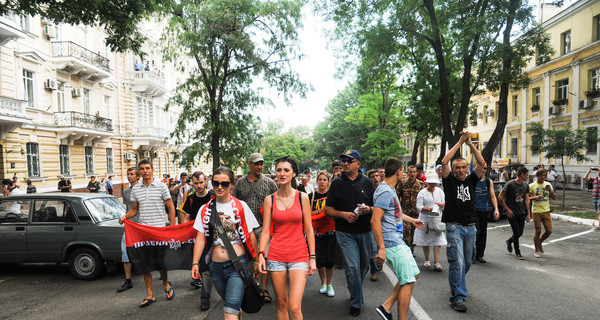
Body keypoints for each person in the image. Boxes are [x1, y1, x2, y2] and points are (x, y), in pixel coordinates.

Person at [190, 166, 259, 320]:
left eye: (225, 184)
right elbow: (200, 238)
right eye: (216, 183)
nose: (220, 187)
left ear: (232, 185)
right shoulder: (205, 209)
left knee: (229, 313)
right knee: (233, 308)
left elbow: (251, 236)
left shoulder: (241, 206)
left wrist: (255, 261)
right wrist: (195, 262)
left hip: (237, 266)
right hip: (216, 267)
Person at [258, 157, 316, 320]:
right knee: (281, 303)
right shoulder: (270, 200)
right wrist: (261, 254)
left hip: (299, 255)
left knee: (294, 306)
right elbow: (265, 232)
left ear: (294, 174)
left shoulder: (302, 198)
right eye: (279, 170)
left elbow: (309, 230)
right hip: (276, 256)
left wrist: (312, 258)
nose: (282, 174)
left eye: (286, 170)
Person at [118, 159, 176, 308]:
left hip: (160, 230)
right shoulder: (136, 189)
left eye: (147, 168)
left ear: (152, 170)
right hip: (143, 231)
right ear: (139, 172)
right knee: (145, 264)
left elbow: (171, 208)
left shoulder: (162, 186)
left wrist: (172, 229)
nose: (145, 171)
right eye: (142, 169)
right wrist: (125, 217)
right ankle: (150, 294)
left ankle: (165, 284)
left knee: (161, 263)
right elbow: (135, 209)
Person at [372, 157, 424, 320]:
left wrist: (412, 220)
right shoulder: (385, 191)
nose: (406, 173)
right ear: (398, 171)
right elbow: (375, 220)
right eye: (404, 170)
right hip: (391, 243)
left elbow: (395, 213)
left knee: (413, 274)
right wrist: (381, 248)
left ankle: (386, 307)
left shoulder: (389, 189)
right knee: (408, 281)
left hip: (397, 240)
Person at [325, 149, 376, 317]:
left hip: (365, 232)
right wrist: (342, 214)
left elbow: (378, 209)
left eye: (349, 160)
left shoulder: (368, 183)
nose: (345, 163)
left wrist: (368, 209)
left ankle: (354, 286)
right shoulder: (337, 184)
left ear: (358, 164)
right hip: (345, 232)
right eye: (344, 161)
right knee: (353, 267)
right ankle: (356, 302)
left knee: (364, 266)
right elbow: (328, 210)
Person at [441, 131, 485, 313]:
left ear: (467, 168)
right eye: (457, 167)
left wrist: (470, 144)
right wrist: (459, 142)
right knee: (457, 262)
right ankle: (457, 297)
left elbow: (482, 163)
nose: (460, 170)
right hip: (454, 226)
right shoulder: (449, 181)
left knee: (467, 261)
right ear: (454, 169)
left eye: (463, 167)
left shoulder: (472, 181)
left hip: (470, 227)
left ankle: (457, 282)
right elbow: (444, 162)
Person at [232, 152, 278, 303]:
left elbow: (277, 203)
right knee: (250, 259)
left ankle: (264, 288)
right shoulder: (240, 183)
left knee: (265, 257)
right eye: (256, 163)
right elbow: (234, 204)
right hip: (245, 229)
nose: (260, 166)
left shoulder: (270, 182)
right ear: (249, 164)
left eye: (261, 163)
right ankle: (253, 286)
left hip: (264, 227)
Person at [180, 171, 215, 310]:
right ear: (192, 183)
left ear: (205, 181)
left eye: (201, 182)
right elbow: (187, 217)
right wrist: (183, 234)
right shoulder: (191, 197)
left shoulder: (213, 196)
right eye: (196, 183)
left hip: (215, 237)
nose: (199, 185)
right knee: (204, 267)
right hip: (198, 238)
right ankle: (205, 298)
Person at [309, 171, 336, 297]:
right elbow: (307, 213)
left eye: (324, 179)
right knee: (319, 259)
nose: (322, 182)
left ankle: (329, 283)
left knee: (330, 259)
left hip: (331, 230)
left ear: (328, 181)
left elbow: (335, 211)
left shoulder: (332, 195)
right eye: (320, 179)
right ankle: (323, 282)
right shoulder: (311, 195)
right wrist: (320, 211)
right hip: (316, 231)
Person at [414, 172, 447, 271]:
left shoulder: (440, 191)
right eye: (430, 183)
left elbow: (444, 202)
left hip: (437, 218)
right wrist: (429, 209)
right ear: (427, 183)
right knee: (426, 239)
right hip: (425, 218)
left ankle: (437, 262)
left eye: (434, 183)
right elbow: (419, 206)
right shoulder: (422, 193)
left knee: (438, 240)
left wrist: (441, 205)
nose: (432, 185)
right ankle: (427, 260)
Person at [498, 167, 531, 260]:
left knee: (520, 233)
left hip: (522, 212)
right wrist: (507, 209)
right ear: (522, 175)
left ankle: (509, 241)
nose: (528, 177)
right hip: (512, 213)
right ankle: (518, 253)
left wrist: (528, 213)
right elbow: (500, 196)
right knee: (516, 232)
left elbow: (527, 200)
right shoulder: (510, 184)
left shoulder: (526, 185)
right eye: (527, 175)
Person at [117, 167, 140, 293]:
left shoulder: (142, 189)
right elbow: (128, 209)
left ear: (137, 176)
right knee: (125, 251)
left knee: (148, 250)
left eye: (132, 174)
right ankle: (128, 280)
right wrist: (125, 220)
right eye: (128, 174)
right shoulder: (126, 192)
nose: (129, 176)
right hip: (130, 225)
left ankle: (161, 274)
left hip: (142, 225)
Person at [396, 165, 424, 253]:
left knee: (414, 233)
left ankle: (412, 248)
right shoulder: (402, 183)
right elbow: (397, 195)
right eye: (410, 172)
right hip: (405, 212)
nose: (412, 174)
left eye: (414, 172)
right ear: (408, 173)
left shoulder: (420, 184)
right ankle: (407, 249)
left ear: (416, 173)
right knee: (406, 233)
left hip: (416, 213)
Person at [473, 168, 499, 263]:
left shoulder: (489, 181)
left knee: (483, 233)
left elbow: (493, 196)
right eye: (481, 167)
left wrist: (496, 209)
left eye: (484, 168)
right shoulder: (473, 180)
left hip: (484, 210)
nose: (482, 170)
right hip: (474, 210)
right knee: (475, 232)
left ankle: (479, 255)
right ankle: (472, 254)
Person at [529, 168, 556, 258]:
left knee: (549, 231)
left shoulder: (548, 184)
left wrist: (550, 191)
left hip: (546, 211)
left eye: (545, 175)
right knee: (538, 231)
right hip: (536, 211)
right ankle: (536, 250)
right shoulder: (532, 186)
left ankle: (539, 242)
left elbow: (554, 197)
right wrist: (535, 197)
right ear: (537, 176)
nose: (544, 177)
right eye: (542, 175)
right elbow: (527, 198)